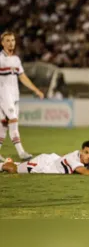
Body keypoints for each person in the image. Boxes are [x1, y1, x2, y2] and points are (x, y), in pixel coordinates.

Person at [0, 31, 44, 161]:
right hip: (3, 95)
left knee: (3, 125)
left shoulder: (16, 59)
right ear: (2, 43)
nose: (11, 43)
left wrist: (36, 90)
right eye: (7, 40)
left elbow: (23, 77)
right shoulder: (0, 59)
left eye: (12, 40)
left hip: (14, 96)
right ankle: (21, 152)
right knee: (13, 121)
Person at [0, 140, 89, 176]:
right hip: (42, 165)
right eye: (86, 152)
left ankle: (11, 162)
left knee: (15, 166)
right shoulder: (74, 158)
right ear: (81, 151)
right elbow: (84, 172)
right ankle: (3, 165)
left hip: (54, 160)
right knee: (13, 170)